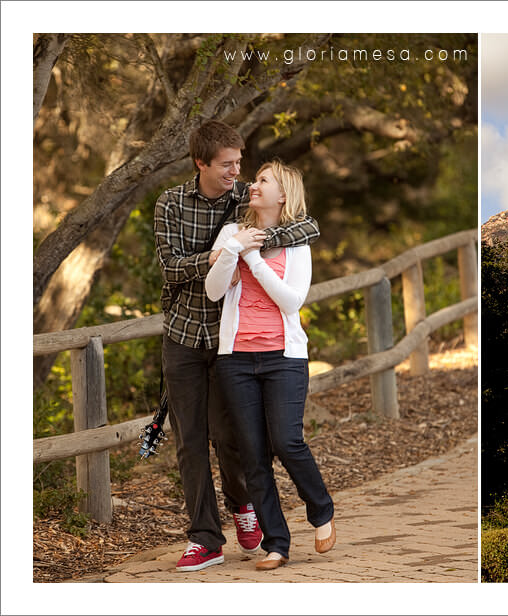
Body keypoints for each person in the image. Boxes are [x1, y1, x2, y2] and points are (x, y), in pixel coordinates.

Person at [154, 120, 321, 572]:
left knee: (234, 438)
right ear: (201, 163)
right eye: (227, 164)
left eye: (240, 163)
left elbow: (302, 223)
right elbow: (169, 268)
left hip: (234, 344)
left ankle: (244, 507)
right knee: (190, 442)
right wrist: (222, 252)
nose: (237, 172)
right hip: (187, 335)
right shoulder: (170, 203)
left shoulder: (246, 196)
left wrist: (255, 243)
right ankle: (205, 538)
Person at [205, 159, 335, 571]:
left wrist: (254, 257)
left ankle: (322, 511)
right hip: (236, 359)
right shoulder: (232, 233)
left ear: (283, 195)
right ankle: (276, 544)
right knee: (253, 454)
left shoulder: (297, 244)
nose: (253, 185)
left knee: (286, 441)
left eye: (263, 181)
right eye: (255, 179)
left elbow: (292, 301)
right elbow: (213, 292)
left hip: (284, 358)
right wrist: (232, 249)